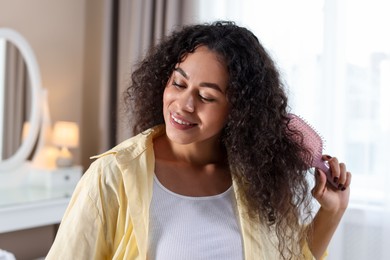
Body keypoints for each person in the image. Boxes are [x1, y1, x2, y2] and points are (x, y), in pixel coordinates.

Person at [46, 21, 351, 260]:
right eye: (178, 83)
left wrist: (332, 211)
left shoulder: (260, 178)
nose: (184, 104)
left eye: (206, 96)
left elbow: (291, 257)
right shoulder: (113, 176)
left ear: (239, 111)